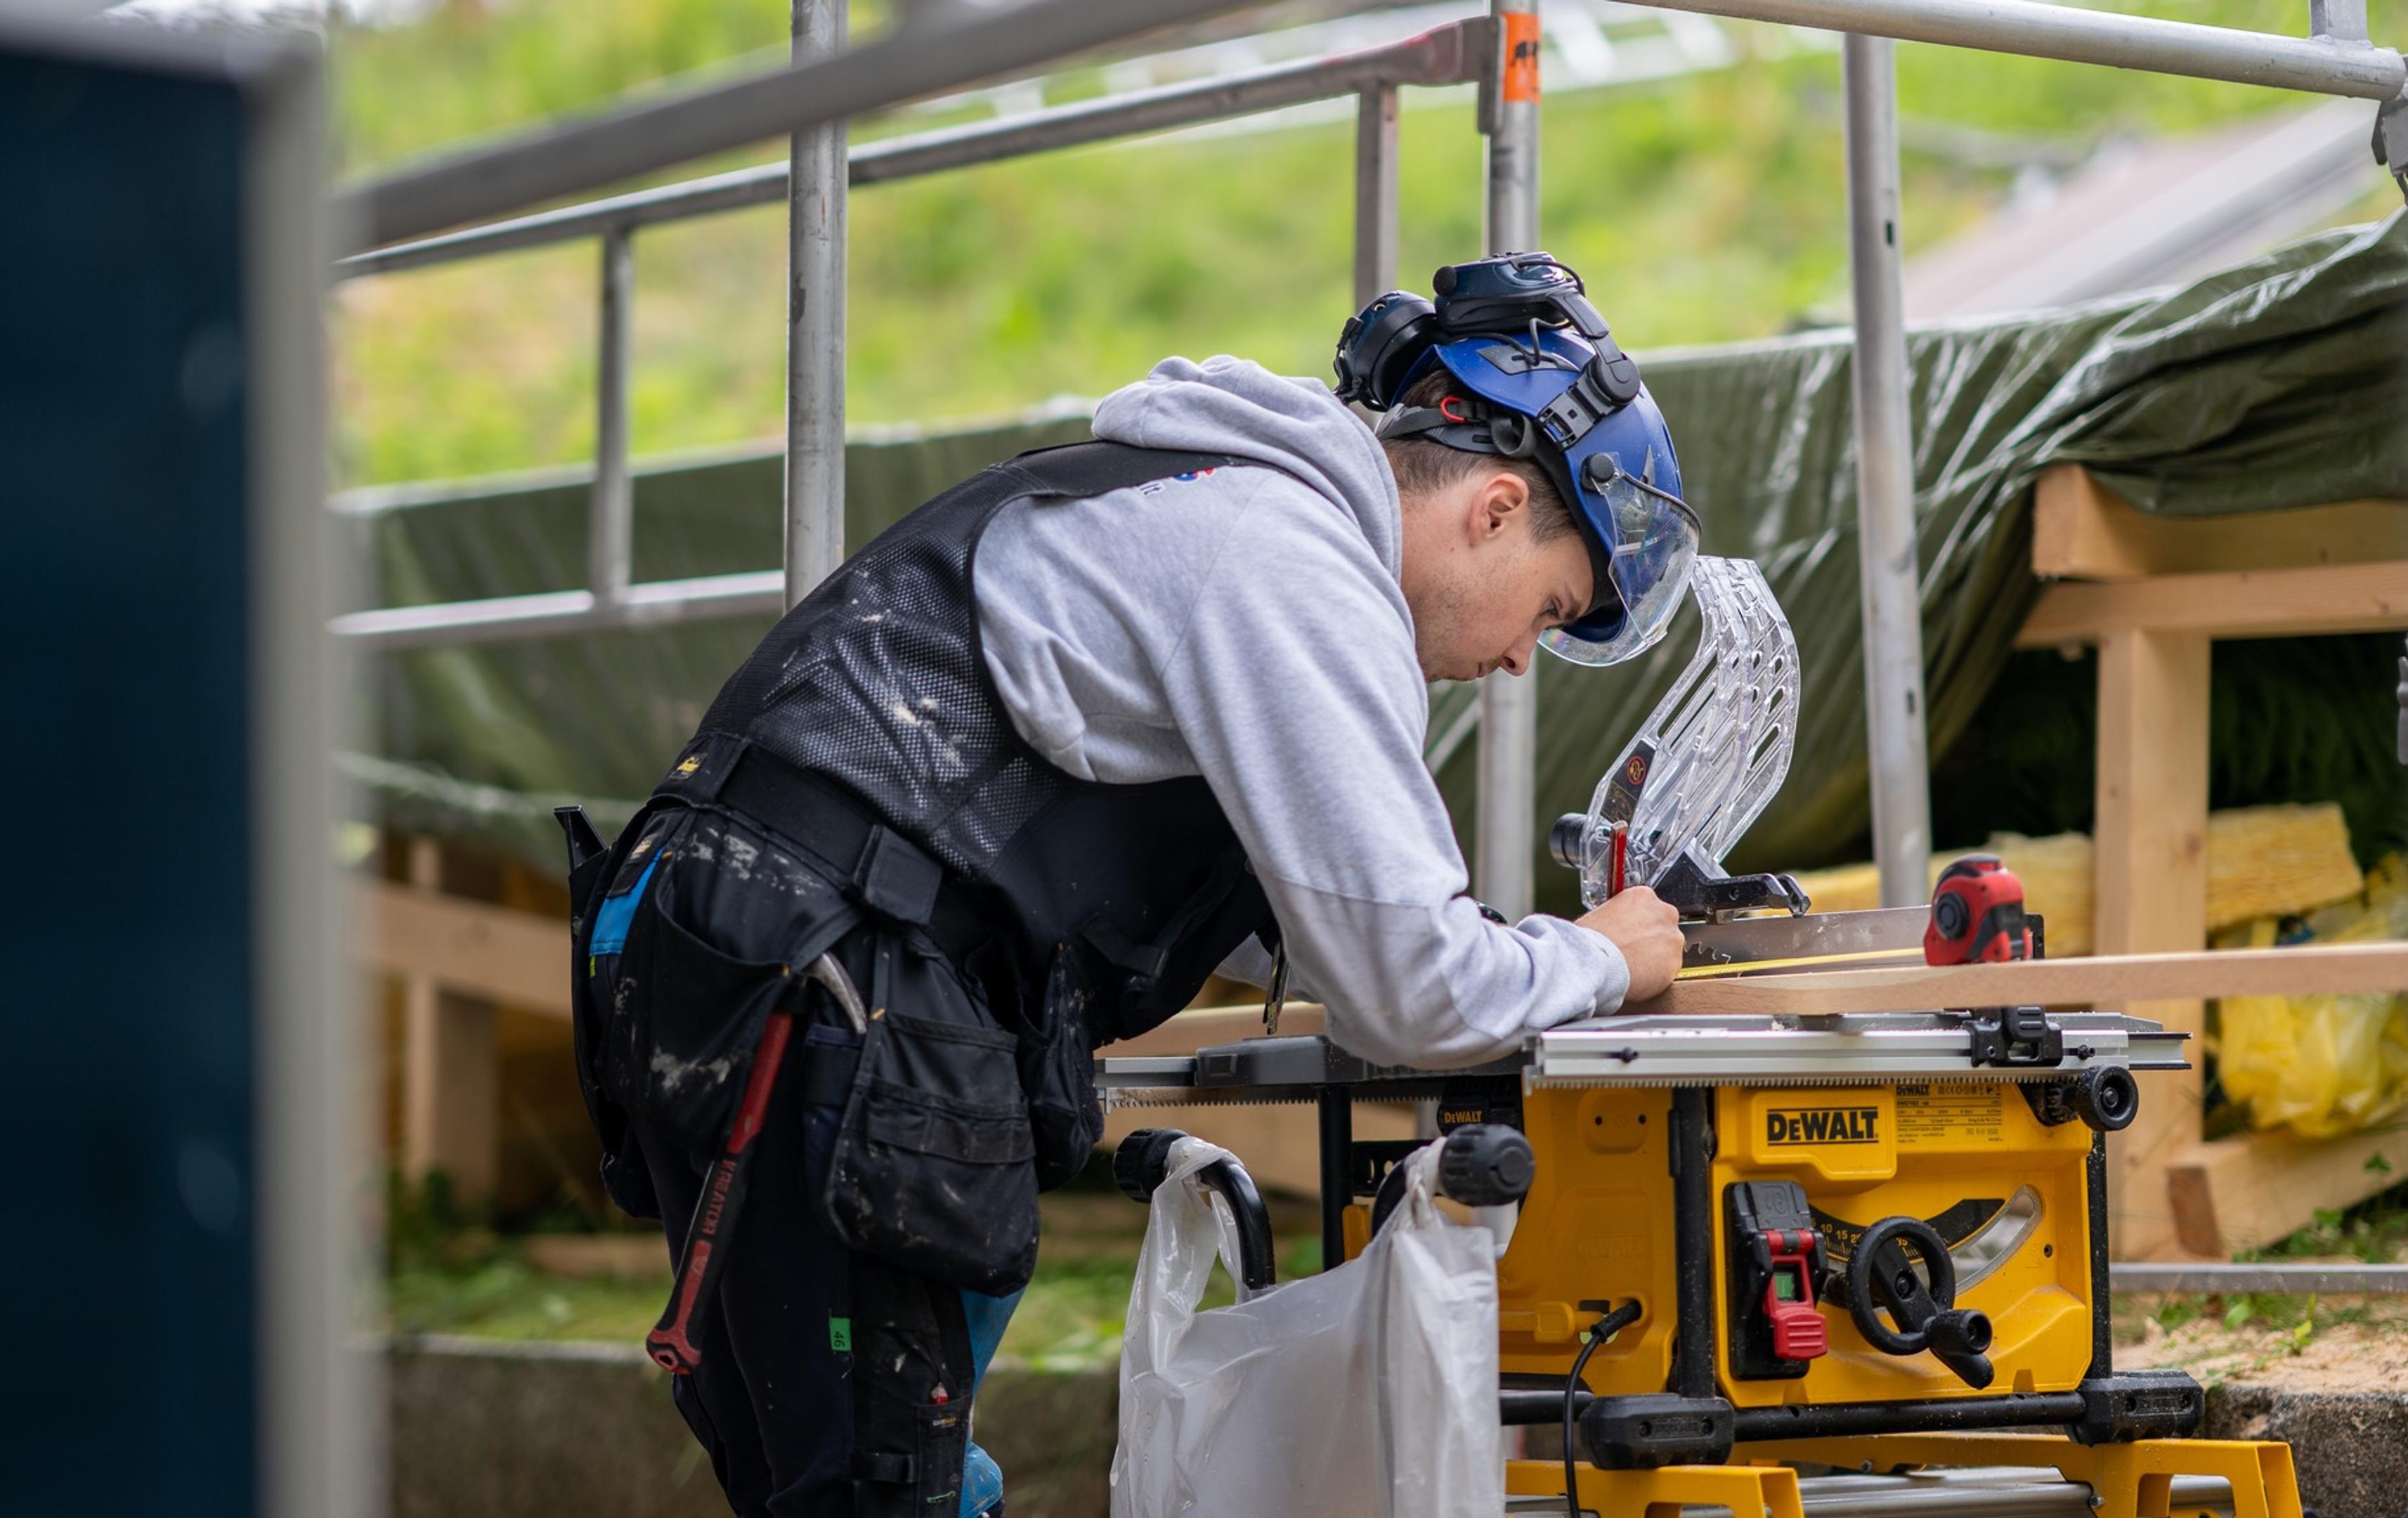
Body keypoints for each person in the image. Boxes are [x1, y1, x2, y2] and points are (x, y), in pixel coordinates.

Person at [562, 252, 1701, 1517]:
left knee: (853, 1481)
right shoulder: (1294, 561)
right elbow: (1408, 991)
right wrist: (1605, 955)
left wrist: (1477, 946)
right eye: (1547, 612)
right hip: (822, 973)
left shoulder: (1196, 497)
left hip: (728, 935)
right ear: (1493, 509)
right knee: (874, 1493)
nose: (1514, 662)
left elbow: (1322, 919)